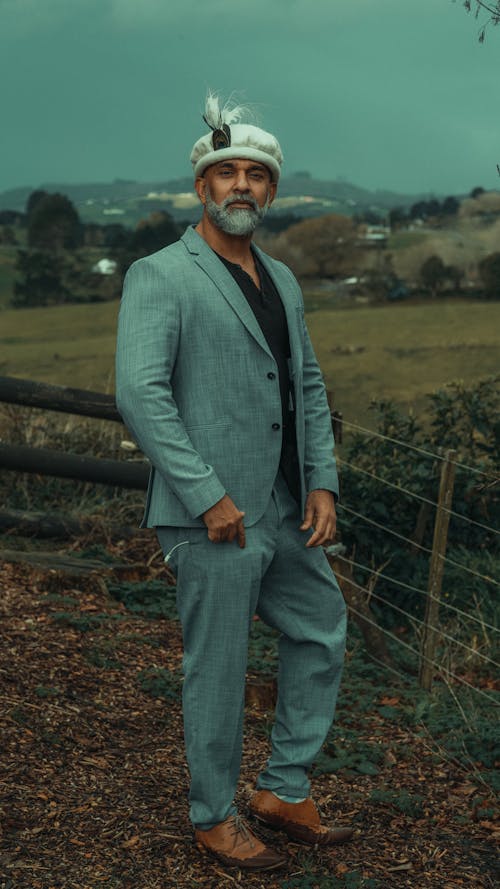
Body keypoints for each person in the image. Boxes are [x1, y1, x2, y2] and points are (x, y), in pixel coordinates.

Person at [115, 93, 352, 872]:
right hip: (210, 513)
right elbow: (140, 393)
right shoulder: (161, 274)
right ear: (202, 189)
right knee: (216, 669)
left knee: (320, 627)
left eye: (256, 174)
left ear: (272, 192)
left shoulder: (281, 279)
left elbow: (307, 385)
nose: (241, 186)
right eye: (227, 174)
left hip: (284, 509)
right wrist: (206, 495)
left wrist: (322, 482)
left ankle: (282, 787)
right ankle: (214, 814)